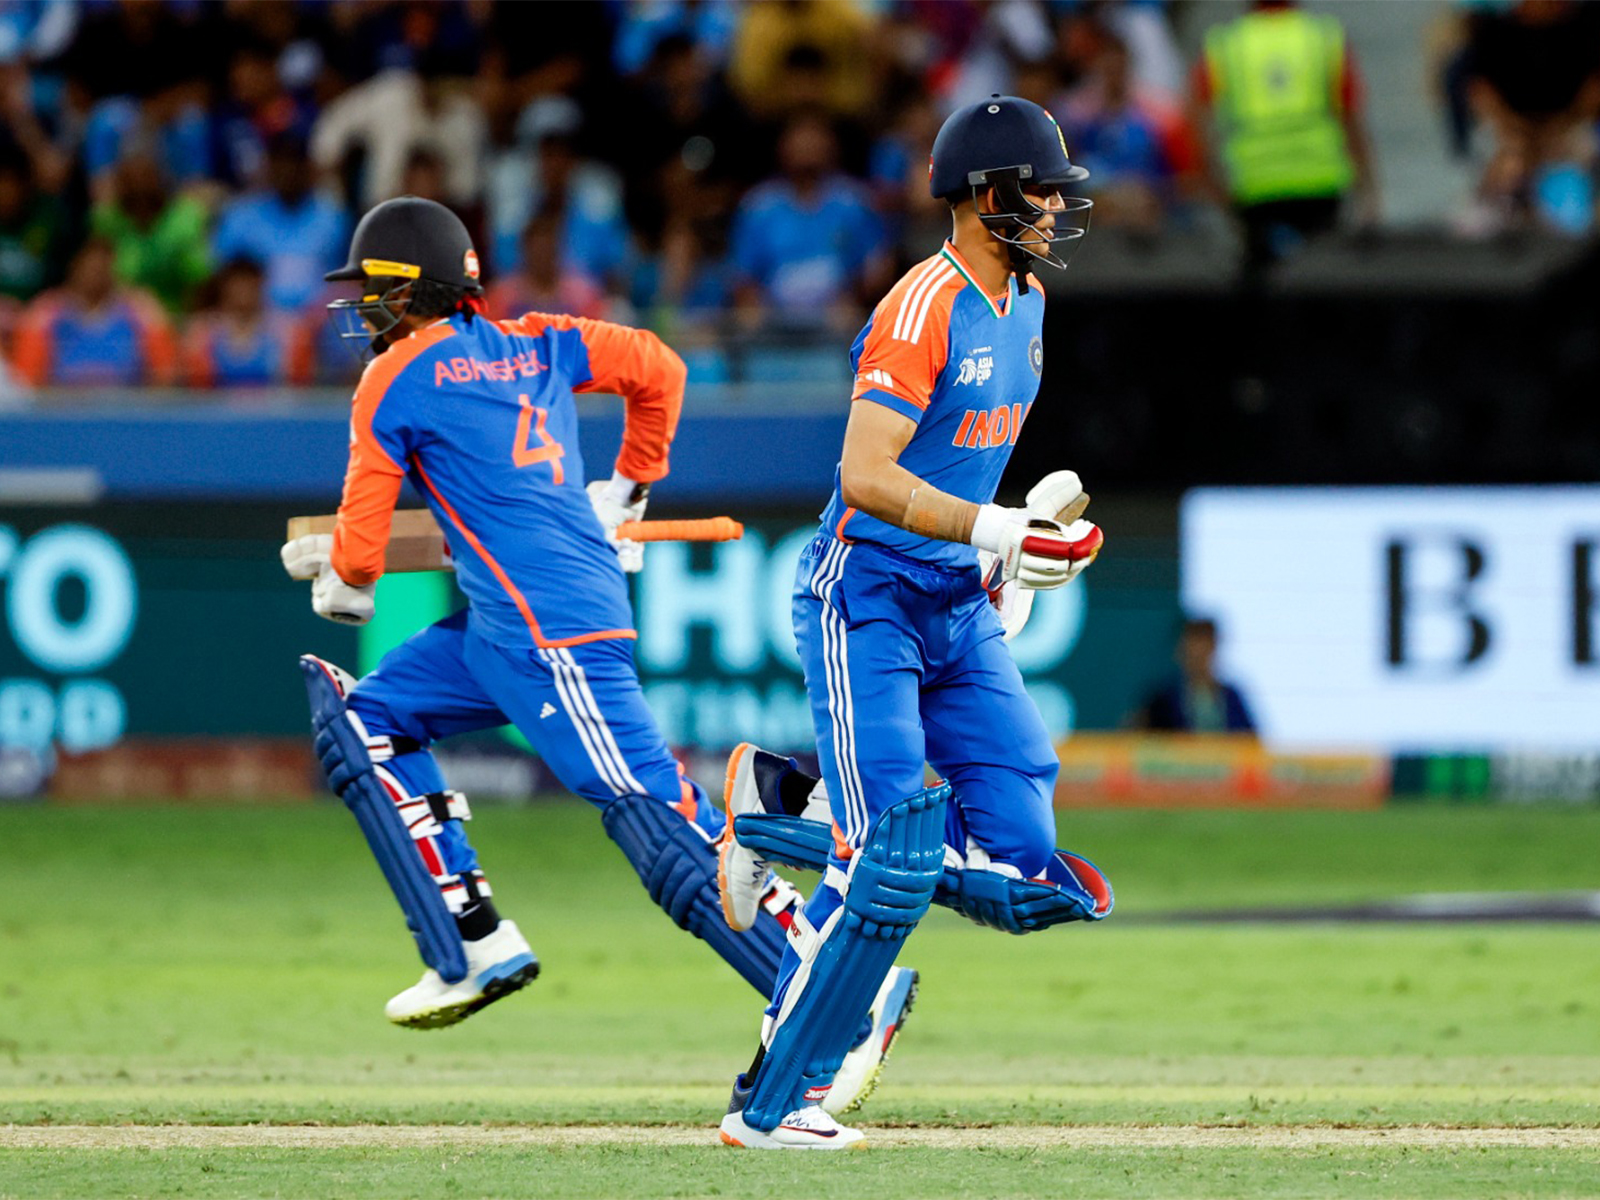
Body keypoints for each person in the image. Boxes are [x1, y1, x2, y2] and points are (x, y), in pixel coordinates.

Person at [276, 197, 903, 1115]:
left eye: (375, 290)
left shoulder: (391, 378)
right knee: (365, 722)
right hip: (510, 625)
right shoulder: (537, 341)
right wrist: (629, 488)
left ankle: (843, 1003)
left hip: (549, 634)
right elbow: (659, 367)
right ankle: (472, 941)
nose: (364, 309)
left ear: (413, 291)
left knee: (662, 831)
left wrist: (337, 574)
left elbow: (359, 573)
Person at [712, 96, 1114, 1151]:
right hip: (868, 596)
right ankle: (773, 1103)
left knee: (1028, 867)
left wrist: (1004, 554)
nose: (1055, 208)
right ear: (987, 194)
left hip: (953, 599)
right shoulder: (920, 307)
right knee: (885, 855)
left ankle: (773, 806)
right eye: (1040, 190)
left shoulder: (1026, 302)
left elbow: (963, 464)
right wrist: (994, 526)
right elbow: (864, 474)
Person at [1190, 0, 1377, 274]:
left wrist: (1217, 188)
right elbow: (1350, 119)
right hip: (1320, 183)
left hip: (1255, 189)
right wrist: (1369, 191)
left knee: (1263, 282)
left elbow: (1197, 125)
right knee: (1323, 281)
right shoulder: (1324, 38)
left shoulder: (1224, 45)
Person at [1131, 615, 1258, 735]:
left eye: (1204, 648)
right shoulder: (1163, 699)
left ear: (1213, 648)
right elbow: (1136, 735)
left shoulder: (1231, 697)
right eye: (1192, 649)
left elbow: (1249, 741)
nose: (1198, 656)